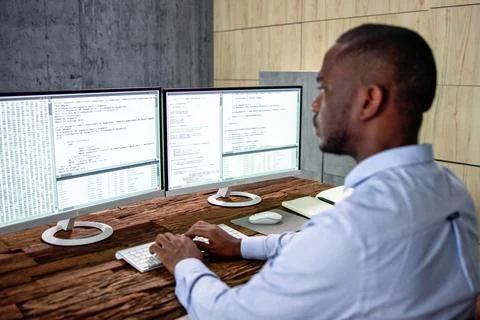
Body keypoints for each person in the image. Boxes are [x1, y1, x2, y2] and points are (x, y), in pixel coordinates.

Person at [150, 24, 479, 319]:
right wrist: (241, 246)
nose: (315, 104)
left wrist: (185, 262)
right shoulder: (450, 189)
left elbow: (227, 314)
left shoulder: (355, 228)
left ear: (369, 101)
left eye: (326, 89)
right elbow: (318, 245)